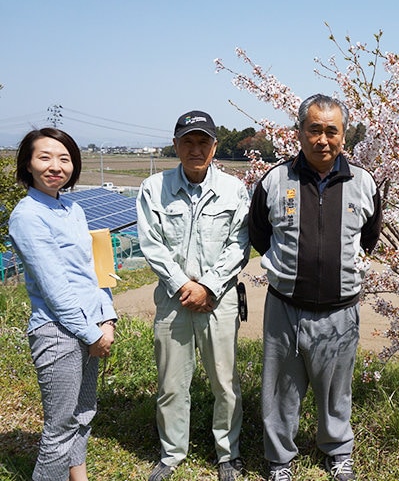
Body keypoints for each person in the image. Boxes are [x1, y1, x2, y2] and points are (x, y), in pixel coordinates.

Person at [249, 94, 382, 481]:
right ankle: (279, 461)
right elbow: (260, 233)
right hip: (284, 307)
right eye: (314, 130)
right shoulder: (275, 180)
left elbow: (368, 237)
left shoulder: (362, 182)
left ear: (344, 136)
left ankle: (338, 451)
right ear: (300, 132)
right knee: (279, 391)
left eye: (331, 131)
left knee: (336, 391)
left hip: (341, 310)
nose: (322, 139)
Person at [137, 110, 250, 481]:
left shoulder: (234, 190)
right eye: (188, 141)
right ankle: (172, 452)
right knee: (171, 382)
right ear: (176, 145)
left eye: (203, 141)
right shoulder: (154, 188)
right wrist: (184, 285)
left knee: (225, 382)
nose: (196, 148)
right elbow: (151, 244)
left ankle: (227, 454)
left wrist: (209, 286)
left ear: (215, 147)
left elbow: (239, 244)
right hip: (173, 299)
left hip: (220, 299)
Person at [9, 128, 117, 481]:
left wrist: (108, 318)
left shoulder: (72, 207)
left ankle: (78, 477)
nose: (55, 166)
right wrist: (91, 334)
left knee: (84, 412)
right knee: (58, 428)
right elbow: (54, 287)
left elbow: (95, 269)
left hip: (90, 327)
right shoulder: (27, 216)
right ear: (28, 163)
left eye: (64, 158)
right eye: (45, 157)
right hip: (58, 332)